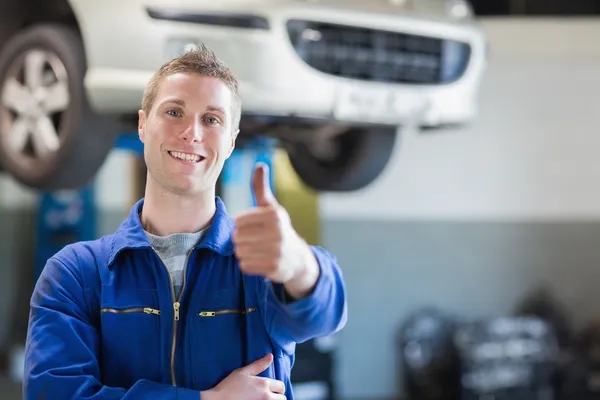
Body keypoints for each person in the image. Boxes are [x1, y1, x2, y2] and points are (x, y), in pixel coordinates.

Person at [22, 44, 347, 400]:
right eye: (174, 112)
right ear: (143, 125)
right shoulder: (76, 273)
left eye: (212, 119)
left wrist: (299, 265)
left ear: (231, 141)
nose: (192, 132)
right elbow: (52, 393)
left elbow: (325, 315)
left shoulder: (260, 267)